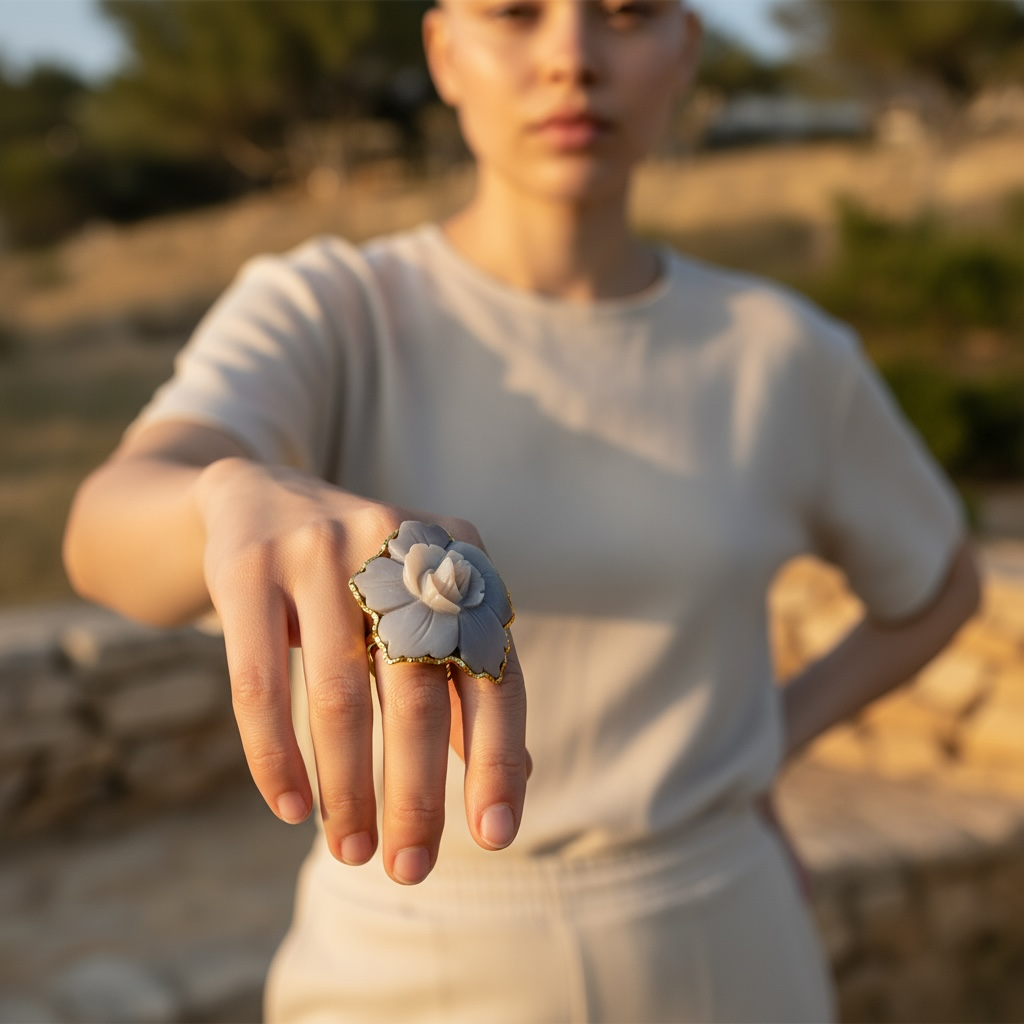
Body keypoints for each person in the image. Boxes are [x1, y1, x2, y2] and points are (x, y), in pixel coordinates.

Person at [63, 1, 980, 1020]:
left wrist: (769, 738)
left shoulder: (780, 352)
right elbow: (109, 522)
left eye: (625, 15)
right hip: (401, 945)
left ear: (684, 49)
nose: (571, 60)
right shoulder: (327, 309)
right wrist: (229, 494)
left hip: (723, 938)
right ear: (443, 51)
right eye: (514, 13)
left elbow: (938, 584)